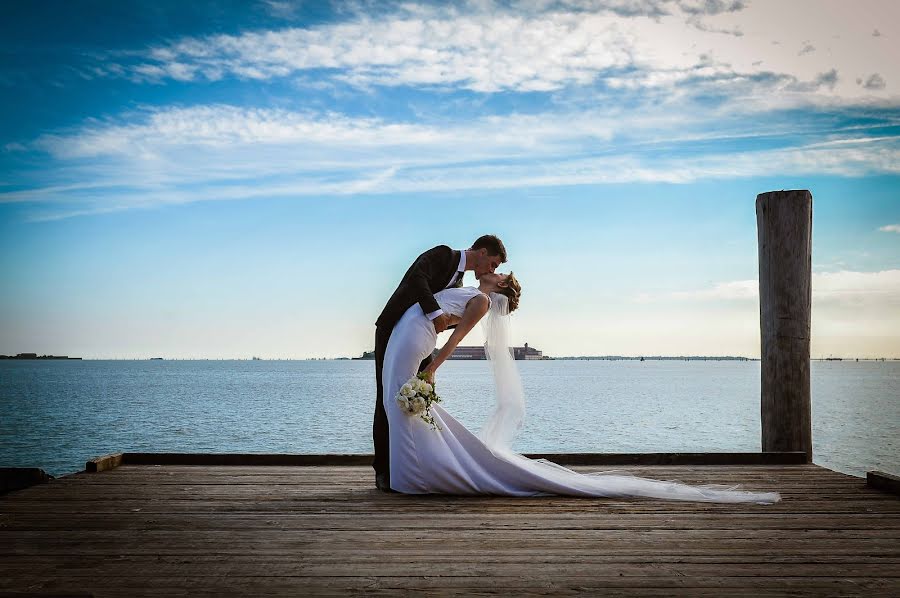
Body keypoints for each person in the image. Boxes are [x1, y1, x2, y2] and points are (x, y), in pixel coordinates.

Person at [380, 272, 782, 504]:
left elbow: (455, 338)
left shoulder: (482, 301)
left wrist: (432, 367)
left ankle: (421, 472)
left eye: (502, 273)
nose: (498, 270)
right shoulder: (473, 291)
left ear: (500, 288)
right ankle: (417, 470)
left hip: (419, 342)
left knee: (409, 404)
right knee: (405, 406)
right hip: (412, 335)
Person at [373, 235, 507, 492]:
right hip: (392, 328)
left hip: (419, 338)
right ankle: (383, 471)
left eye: (496, 269)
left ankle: (418, 463)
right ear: (480, 252)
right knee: (387, 397)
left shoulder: (460, 284)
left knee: (417, 398)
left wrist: (433, 360)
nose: (492, 270)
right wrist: (436, 314)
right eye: (492, 264)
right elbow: (417, 279)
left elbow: (448, 322)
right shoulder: (443, 254)